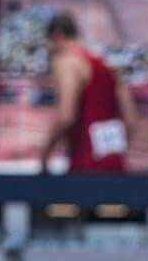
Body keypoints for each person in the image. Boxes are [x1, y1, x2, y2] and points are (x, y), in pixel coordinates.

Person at [39, 11, 138, 172]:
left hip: (83, 163)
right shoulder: (108, 65)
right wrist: (113, 152)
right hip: (115, 164)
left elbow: (66, 116)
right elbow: (132, 120)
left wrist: (45, 155)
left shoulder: (67, 62)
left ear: (57, 36)